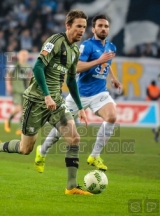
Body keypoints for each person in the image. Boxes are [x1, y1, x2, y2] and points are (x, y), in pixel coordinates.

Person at [0, 10, 92, 195]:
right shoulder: (55, 41)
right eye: (78, 26)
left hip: (56, 101)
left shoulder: (74, 50)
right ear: (68, 26)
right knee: (25, 149)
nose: (82, 30)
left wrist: (80, 107)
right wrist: (46, 95)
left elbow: (71, 80)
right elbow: (38, 67)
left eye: (84, 27)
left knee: (74, 138)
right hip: (36, 101)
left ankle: (71, 186)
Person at [34, 14, 121, 173]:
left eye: (106, 26)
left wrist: (113, 78)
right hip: (79, 95)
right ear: (93, 29)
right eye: (100, 26)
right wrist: (98, 60)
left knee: (112, 117)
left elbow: (107, 64)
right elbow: (77, 68)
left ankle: (94, 156)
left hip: (100, 93)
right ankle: (42, 151)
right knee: (61, 131)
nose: (103, 28)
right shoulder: (86, 46)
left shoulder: (111, 47)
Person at [4, 50, 32, 135]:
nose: (24, 57)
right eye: (22, 55)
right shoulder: (14, 65)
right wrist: (8, 85)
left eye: (25, 55)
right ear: (19, 56)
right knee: (18, 108)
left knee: (24, 110)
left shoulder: (28, 66)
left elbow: (29, 78)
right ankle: (8, 119)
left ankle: (20, 128)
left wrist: (30, 88)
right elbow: (8, 76)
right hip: (16, 90)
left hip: (25, 91)